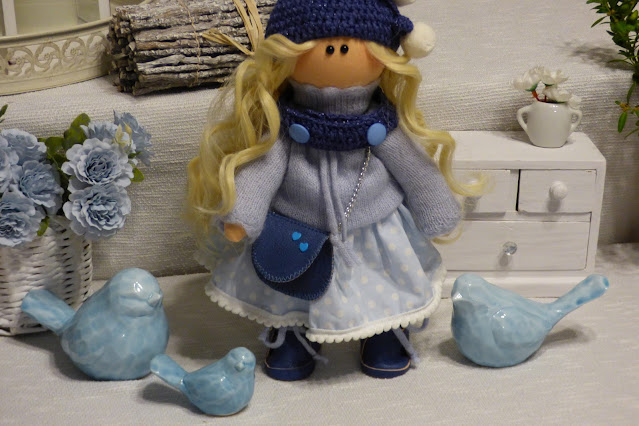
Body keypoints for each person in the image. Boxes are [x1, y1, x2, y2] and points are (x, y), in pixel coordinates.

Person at [188, 0, 481, 381]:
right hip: (296, 227)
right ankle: (293, 331)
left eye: (347, 46)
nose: (337, 52)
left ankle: (385, 328)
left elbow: (416, 170)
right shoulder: (284, 128)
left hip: (373, 227)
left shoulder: (384, 128)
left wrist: (436, 209)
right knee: (290, 285)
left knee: (383, 280)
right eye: (325, 45)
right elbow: (262, 169)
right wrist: (242, 213)